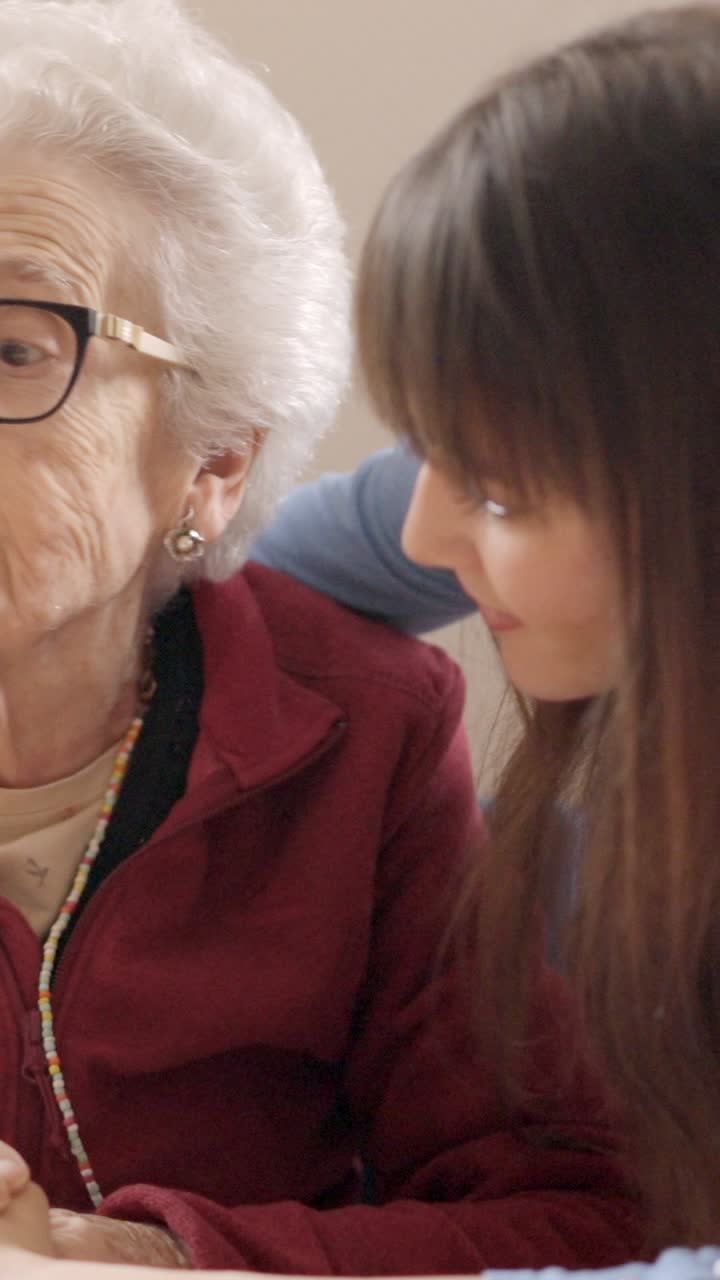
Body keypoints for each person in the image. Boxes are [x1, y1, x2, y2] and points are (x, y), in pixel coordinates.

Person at [0, 2, 715, 1277]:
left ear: (216, 459)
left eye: (12, 347)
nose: (437, 526)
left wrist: (144, 1258)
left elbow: (583, 1212)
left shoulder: (368, 729)